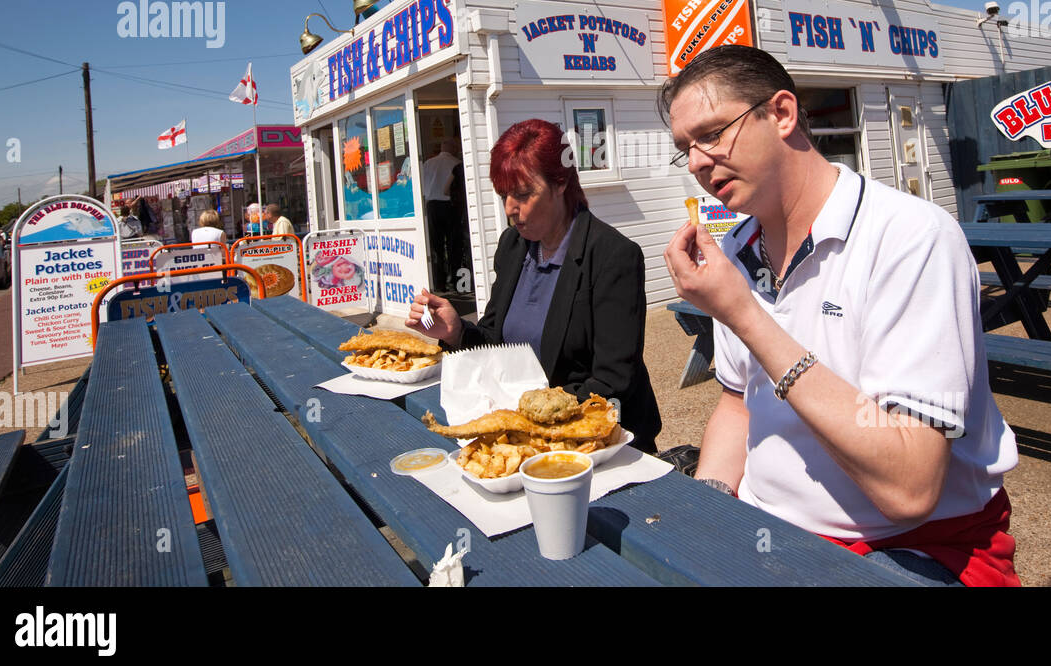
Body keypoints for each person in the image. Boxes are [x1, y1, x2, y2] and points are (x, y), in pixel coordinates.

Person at [658, 45, 1018, 586]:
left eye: (711, 134)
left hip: (911, 548)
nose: (696, 163)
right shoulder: (735, 250)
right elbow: (738, 404)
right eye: (684, 148)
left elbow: (910, 488)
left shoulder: (910, 238)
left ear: (782, 114)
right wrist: (714, 511)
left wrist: (745, 316)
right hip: (767, 527)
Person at [408, 119, 661, 452]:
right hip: (527, 439)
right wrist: (455, 332)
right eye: (504, 195)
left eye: (523, 194)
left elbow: (612, 381)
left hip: (598, 444)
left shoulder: (612, 256)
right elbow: (494, 344)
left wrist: (526, 422)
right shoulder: (513, 246)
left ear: (560, 184)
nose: (511, 208)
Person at [421, 138, 463, 291]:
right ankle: (457, 282)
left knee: (436, 246)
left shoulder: (427, 164)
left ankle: (439, 282)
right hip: (450, 205)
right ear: (452, 147)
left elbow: (423, 186)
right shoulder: (456, 163)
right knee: (454, 244)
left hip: (432, 205)